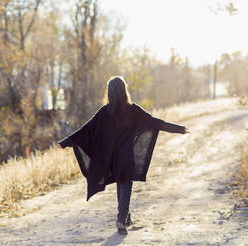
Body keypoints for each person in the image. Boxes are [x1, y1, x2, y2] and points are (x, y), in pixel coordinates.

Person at [57, 76, 190, 235]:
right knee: (126, 185)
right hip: (127, 157)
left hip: (111, 159)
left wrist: (66, 142)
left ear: (110, 93)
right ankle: (121, 218)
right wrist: (179, 129)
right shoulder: (133, 110)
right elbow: (156, 122)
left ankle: (126, 218)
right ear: (124, 90)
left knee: (122, 184)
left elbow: (87, 129)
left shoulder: (104, 112)